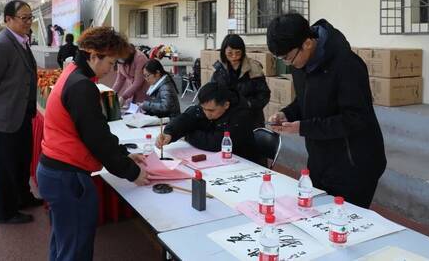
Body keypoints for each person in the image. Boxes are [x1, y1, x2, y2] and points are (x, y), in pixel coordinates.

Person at [37, 27, 149, 261]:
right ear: (94, 55)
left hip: (56, 172)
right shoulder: (81, 86)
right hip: (68, 176)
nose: (111, 69)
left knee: (64, 242)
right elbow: (96, 138)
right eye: (110, 62)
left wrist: (123, 155)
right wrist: (131, 171)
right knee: (75, 248)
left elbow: (96, 131)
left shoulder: (74, 73)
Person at [266, 13, 387, 208]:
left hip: (354, 164)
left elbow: (355, 119)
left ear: (307, 43)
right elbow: (304, 100)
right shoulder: (300, 64)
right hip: (321, 161)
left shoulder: (347, 65)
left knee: (343, 227)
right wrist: (287, 113)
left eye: (288, 58)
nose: (288, 64)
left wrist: (303, 128)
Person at [0, 0, 43, 225]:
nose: (28, 22)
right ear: (8, 20)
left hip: (21, 113)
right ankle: (4, 212)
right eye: (23, 18)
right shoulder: (1, 45)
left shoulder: (22, 41)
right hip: (3, 118)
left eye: (30, 17)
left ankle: (23, 197)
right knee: (5, 167)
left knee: (22, 160)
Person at [156, 82, 258, 163]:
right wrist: (169, 133)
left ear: (226, 105)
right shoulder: (207, 107)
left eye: (211, 110)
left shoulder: (241, 115)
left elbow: (217, 143)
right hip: (217, 160)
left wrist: (187, 135)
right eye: (203, 108)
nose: (206, 113)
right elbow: (187, 118)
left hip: (243, 162)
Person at [211, 34, 271, 129]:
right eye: (230, 53)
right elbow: (211, 93)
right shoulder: (219, 70)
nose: (234, 57)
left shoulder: (254, 68)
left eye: (238, 53)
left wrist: (249, 104)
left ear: (243, 52)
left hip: (251, 119)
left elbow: (264, 94)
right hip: (225, 119)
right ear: (224, 52)